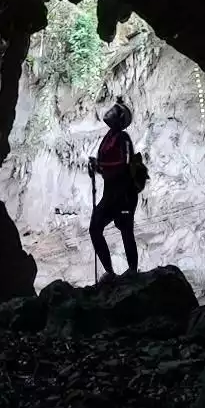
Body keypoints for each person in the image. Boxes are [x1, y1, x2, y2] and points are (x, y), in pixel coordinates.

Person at [88, 100, 139, 281]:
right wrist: (96, 167)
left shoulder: (122, 138)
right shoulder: (109, 136)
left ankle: (133, 271)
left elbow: (125, 164)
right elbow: (107, 167)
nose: (110, 111)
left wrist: (99, 165)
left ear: (119, 119)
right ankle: (110, 274)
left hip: (124, 193)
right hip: (110, 192)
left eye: (115, 110)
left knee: (125, 229)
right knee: (95, 228)